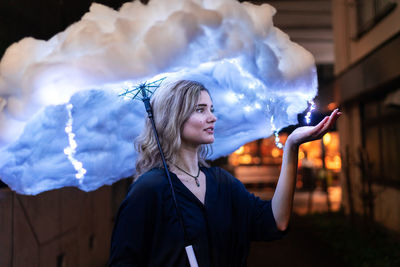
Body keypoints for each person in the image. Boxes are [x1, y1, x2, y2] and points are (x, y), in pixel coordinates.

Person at [108, 80, 341, 266]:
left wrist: (291, 146)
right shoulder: (149, 190)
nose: (213, 117)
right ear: (174, 118)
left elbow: (276, 222)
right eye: (201, 110)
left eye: (212, 109)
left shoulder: (222, 183)